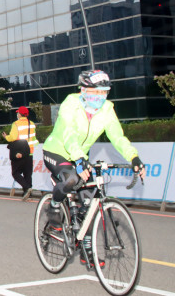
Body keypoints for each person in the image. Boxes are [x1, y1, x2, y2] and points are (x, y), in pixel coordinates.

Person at [43, 70, 147, 267]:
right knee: (71, 179)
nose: (100, 97)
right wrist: (79, 158)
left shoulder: (107, 109)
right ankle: (53, 206)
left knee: (90, 204)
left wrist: (133, 157)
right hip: (58, 151)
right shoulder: (70, 103)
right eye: (95, 92)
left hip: (81, 156)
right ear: (83, 90)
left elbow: (118, 137)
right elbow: (69, 134)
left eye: (104, 92)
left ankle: (87, 251)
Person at [2, 106, 38, 201]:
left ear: (20, 114)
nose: (17, 114)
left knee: (15, 172)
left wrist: (6, 137)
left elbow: (13, 137)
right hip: (29, 151)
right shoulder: (32, 124)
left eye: (18, 113)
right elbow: (34, 138)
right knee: (27, 173)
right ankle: (28, 194)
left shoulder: (16, 124)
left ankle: (27, 188)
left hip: (19, 151)